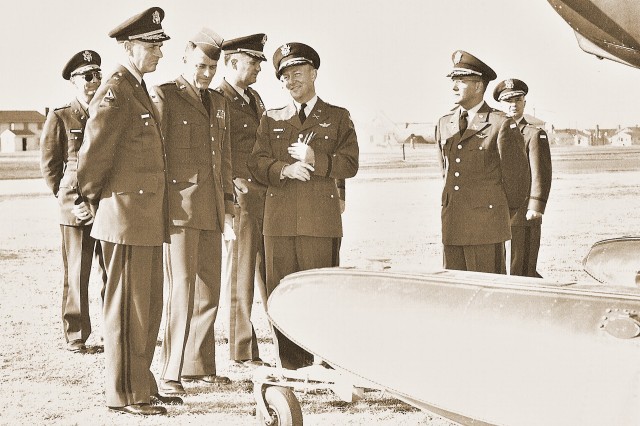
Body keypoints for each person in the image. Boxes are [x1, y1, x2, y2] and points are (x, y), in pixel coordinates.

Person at [76, 7, 181, 415]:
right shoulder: (116, 90)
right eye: (151, 45)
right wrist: (98, 202)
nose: (158, 53)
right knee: (125, 308)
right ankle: (123, 393)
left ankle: (141, 381)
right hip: (124, 218)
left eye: (159, 45)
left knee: (147, 306)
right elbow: (92, 156)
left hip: (145, 218)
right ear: (127, 47)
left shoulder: (137, 88)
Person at [248, 42, 359, 369]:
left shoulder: (337, 117)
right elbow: (256, 163)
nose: (290, 81)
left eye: (297, 73)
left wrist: (317, 160)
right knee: (281, 296)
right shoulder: (270, 118)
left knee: (320, 293)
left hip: (319, 223)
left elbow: (350, 164)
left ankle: (325, 360)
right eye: (284, 76)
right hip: (279, 224)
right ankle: (293, 365)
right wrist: (283, 169)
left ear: (313, 73)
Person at [153, 27, 235, 396]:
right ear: (185, 56)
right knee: (182, 291)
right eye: (201, 65)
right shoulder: (165, 96)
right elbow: (157, 157)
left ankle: (199, 367)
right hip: (180, 212)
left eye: (212, 68)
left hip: (213, 210)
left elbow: (225, 159)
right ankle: (171, 373)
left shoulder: (218, 102)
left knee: (209, 292)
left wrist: (229, 205)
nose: (206, 73)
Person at [435, 50, 529, 274]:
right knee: (455, 295)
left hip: (487, 229)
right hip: (453, 226)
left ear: (478, 86)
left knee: (490, 295)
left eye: (461, 81)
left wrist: (497, 216)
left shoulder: (499, 124)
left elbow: (517, 181)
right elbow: (445, 172)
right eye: (453, 81)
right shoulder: (444, 123)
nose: (454, 87)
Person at [40, 49, 107, 354]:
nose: (94, 81)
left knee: (112, 273)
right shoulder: (61, 116)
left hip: (107, 207)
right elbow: (52, 167)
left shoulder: (109, 112)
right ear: (73, 81)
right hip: (76, 210)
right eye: (86, 76)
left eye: (97, 75)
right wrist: (69, 202)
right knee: (77, 274)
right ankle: (76, 336)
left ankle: (113, 331)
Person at [216, 33, 270, 368]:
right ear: (233, 62)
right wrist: (229, 180)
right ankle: (241, 349)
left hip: (264, 196)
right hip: (241, 199)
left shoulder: (254, 98)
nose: (258, 71)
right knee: (241, 273)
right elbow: (215, 147)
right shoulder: (216, 98)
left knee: (267, 273)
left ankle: (284, 346)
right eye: (253, 63)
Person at [493, 78, 552, 277]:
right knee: (498, 268)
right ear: (500, 104)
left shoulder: (534, 134)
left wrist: (536, 206)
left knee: (522, 267)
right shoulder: (492, 133)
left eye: (518, 100)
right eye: (508, 101)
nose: (513, 105)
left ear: (524, 103)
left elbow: (540, 172)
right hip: (498, 211)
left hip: (523, 213)